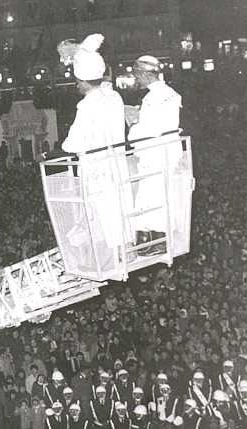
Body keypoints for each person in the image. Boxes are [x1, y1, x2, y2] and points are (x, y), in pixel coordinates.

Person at [56, 33, 131, 275]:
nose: (76, 84)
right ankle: (121, 253)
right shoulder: (113, 96)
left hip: (96, 168)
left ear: (83, 80)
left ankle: (106, 260)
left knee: (98, 215)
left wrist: (62, 147)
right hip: (116, 163)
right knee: (116, 210)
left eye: (77, 79)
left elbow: (73, 142)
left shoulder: (87, 105)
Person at [126, 55, 184, 256]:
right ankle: (156, 240)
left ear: (144, 74)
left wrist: (133, 124)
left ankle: (153, 242)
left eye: (137, 75)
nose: (137, 80)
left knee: (148, 198)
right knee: (160, 195)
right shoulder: (171, 93)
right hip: (169, 151)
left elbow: (147, 131)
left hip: (154, 153)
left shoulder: (152, 98)